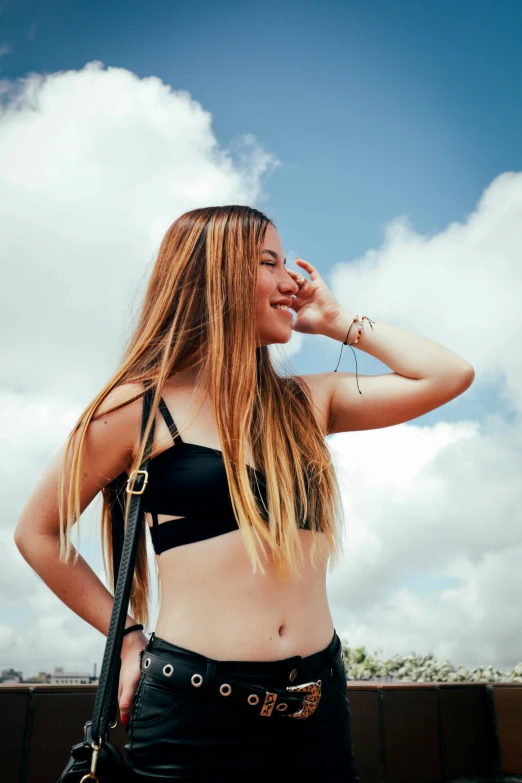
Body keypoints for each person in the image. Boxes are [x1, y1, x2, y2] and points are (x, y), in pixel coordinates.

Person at [14, 205, 474, 781]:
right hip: (192, 715)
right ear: (212, 277)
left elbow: (449, 375)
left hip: (317, 709)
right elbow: (37, 531)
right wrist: (127, 637)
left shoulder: (308, 402)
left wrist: (338, 320)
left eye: (288, 263)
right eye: (268, 262)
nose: (292, 280)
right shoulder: (137, 408)